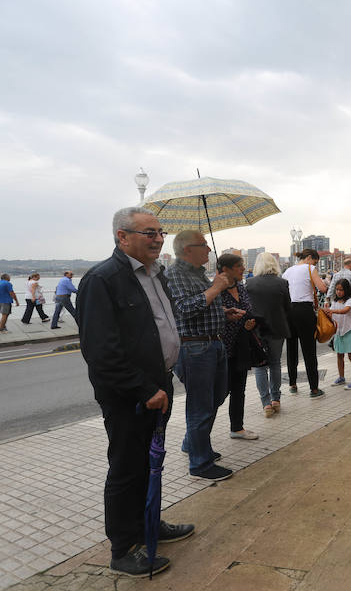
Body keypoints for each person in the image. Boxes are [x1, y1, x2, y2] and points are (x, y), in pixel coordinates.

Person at [78, 206, 193, 577]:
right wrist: (144, 389)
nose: (158, 239)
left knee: (149, 463)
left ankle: (149, 524)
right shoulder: (103, 279)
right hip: (131, 395)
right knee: (127, 467)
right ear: (122, 237)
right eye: (149, 233)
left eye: (160, 232)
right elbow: (101, 353)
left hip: (160, 384)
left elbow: (160, 327)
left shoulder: (155, 275)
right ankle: (123, 548)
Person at [168, 230, 241, 481]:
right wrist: (216, 288)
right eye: (203, 245)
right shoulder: (175, 274)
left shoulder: (198, 274)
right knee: (200, 405)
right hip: (195, 348)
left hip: (213, 343)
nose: (209, 250)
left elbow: (202, 304)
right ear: (187, 249)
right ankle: (200, 463)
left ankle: (193, 443)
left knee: (218, 395)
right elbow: (184, 309)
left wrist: (223, 311)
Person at [217, 254, 259, 441]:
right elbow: (213, 319)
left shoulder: (241, 288)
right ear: (225, 269)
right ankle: (195, 438)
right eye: (238, 266)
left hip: (241, 346)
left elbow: (249, 310)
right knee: (219, 393)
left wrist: (250, 323)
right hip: (222, 349)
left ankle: (237, 428)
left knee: (238, 389)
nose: (243, 268)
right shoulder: (215, 290)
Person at [245, 252, 291, 417]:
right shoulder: (282, 283)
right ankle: (276, 399)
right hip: (278, 329)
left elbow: (246, 308)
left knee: (260, 366)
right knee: (275, 364)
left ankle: (265, 403)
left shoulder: (249, 283)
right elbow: (287, 307)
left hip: (257, 330)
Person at [282, 249, 328, 398]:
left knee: (291, 348)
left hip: (289, 311)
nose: (315, 264)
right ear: (309, 258)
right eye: (315, 261)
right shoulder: (310, 268)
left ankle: (293, 384)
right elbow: (322, 288)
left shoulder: (287, 271)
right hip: (304, 311)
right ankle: (314, 388)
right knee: (309, 349)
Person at [324, 278, 351, 389]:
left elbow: (345, 310)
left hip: (348, 332)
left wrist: (332, 311)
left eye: (341, 290)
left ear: (346, 290)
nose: (338, 292)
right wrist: (326, 312)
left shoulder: (349, 301)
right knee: (339, 355)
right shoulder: (334, 302)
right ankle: (341, 377)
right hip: (338, 333)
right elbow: (331, 314)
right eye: (337, 289)